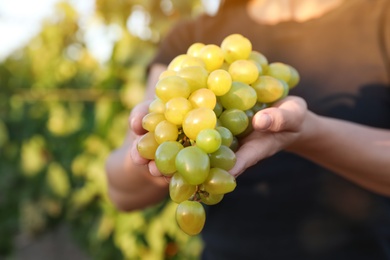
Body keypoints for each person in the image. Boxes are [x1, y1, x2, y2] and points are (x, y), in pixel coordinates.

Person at [105, 0, 390, 259]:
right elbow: (122, 193)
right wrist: (161, 160)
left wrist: (311, 133)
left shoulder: (382, 17)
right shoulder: (191, 38)